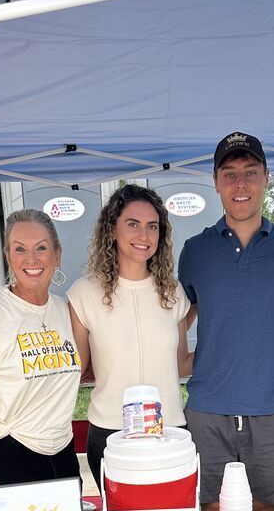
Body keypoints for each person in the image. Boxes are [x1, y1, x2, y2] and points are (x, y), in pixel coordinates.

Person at [178, 132, 274, 511]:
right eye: (230, 173)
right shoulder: (195, 250)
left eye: (250, 172)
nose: (240, 184)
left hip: (270, 409)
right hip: (207, 409)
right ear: (216, 182)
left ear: (267, 177)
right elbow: (177, 319)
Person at [0, 209, 82, 511]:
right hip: (10, 454)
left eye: (41, 247)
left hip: (62, 453)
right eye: (19, 249)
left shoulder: (66, 311)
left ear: (57, 254)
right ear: (8, 256)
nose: (31, 258)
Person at [66, 184, 190, 490]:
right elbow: (77, 370)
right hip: (111, 433)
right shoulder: (85, 293)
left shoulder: (172, 292)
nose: (144, 236)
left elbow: (182, 365)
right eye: (132, 224)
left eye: (152, 226)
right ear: (112, 229)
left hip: (169, 431)